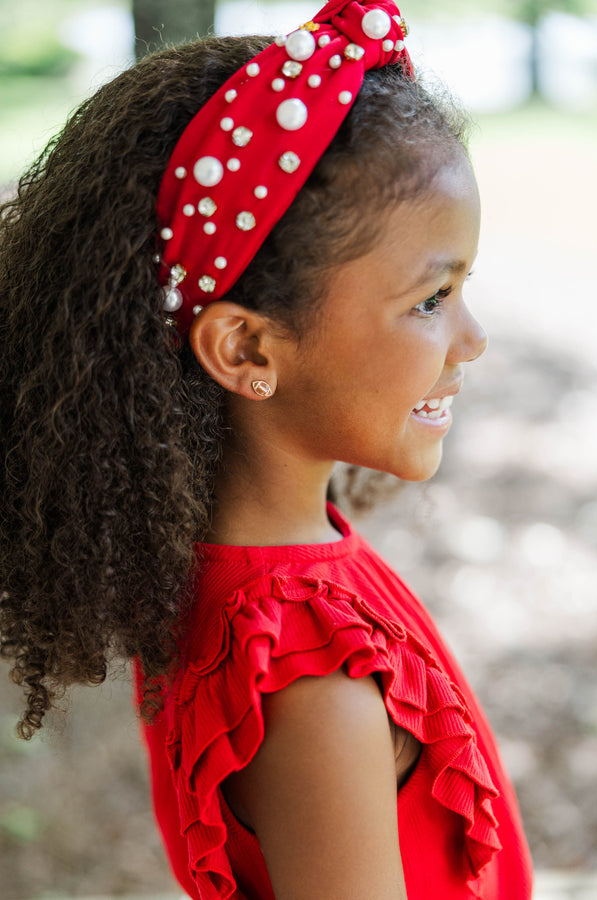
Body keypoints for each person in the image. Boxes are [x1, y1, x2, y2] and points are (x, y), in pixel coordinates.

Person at [0, 0, 534, 897]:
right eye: (430, 299)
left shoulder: (229, 579)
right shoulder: (311, 685)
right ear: (247, 349)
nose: (471, 338)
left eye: (462, 286)